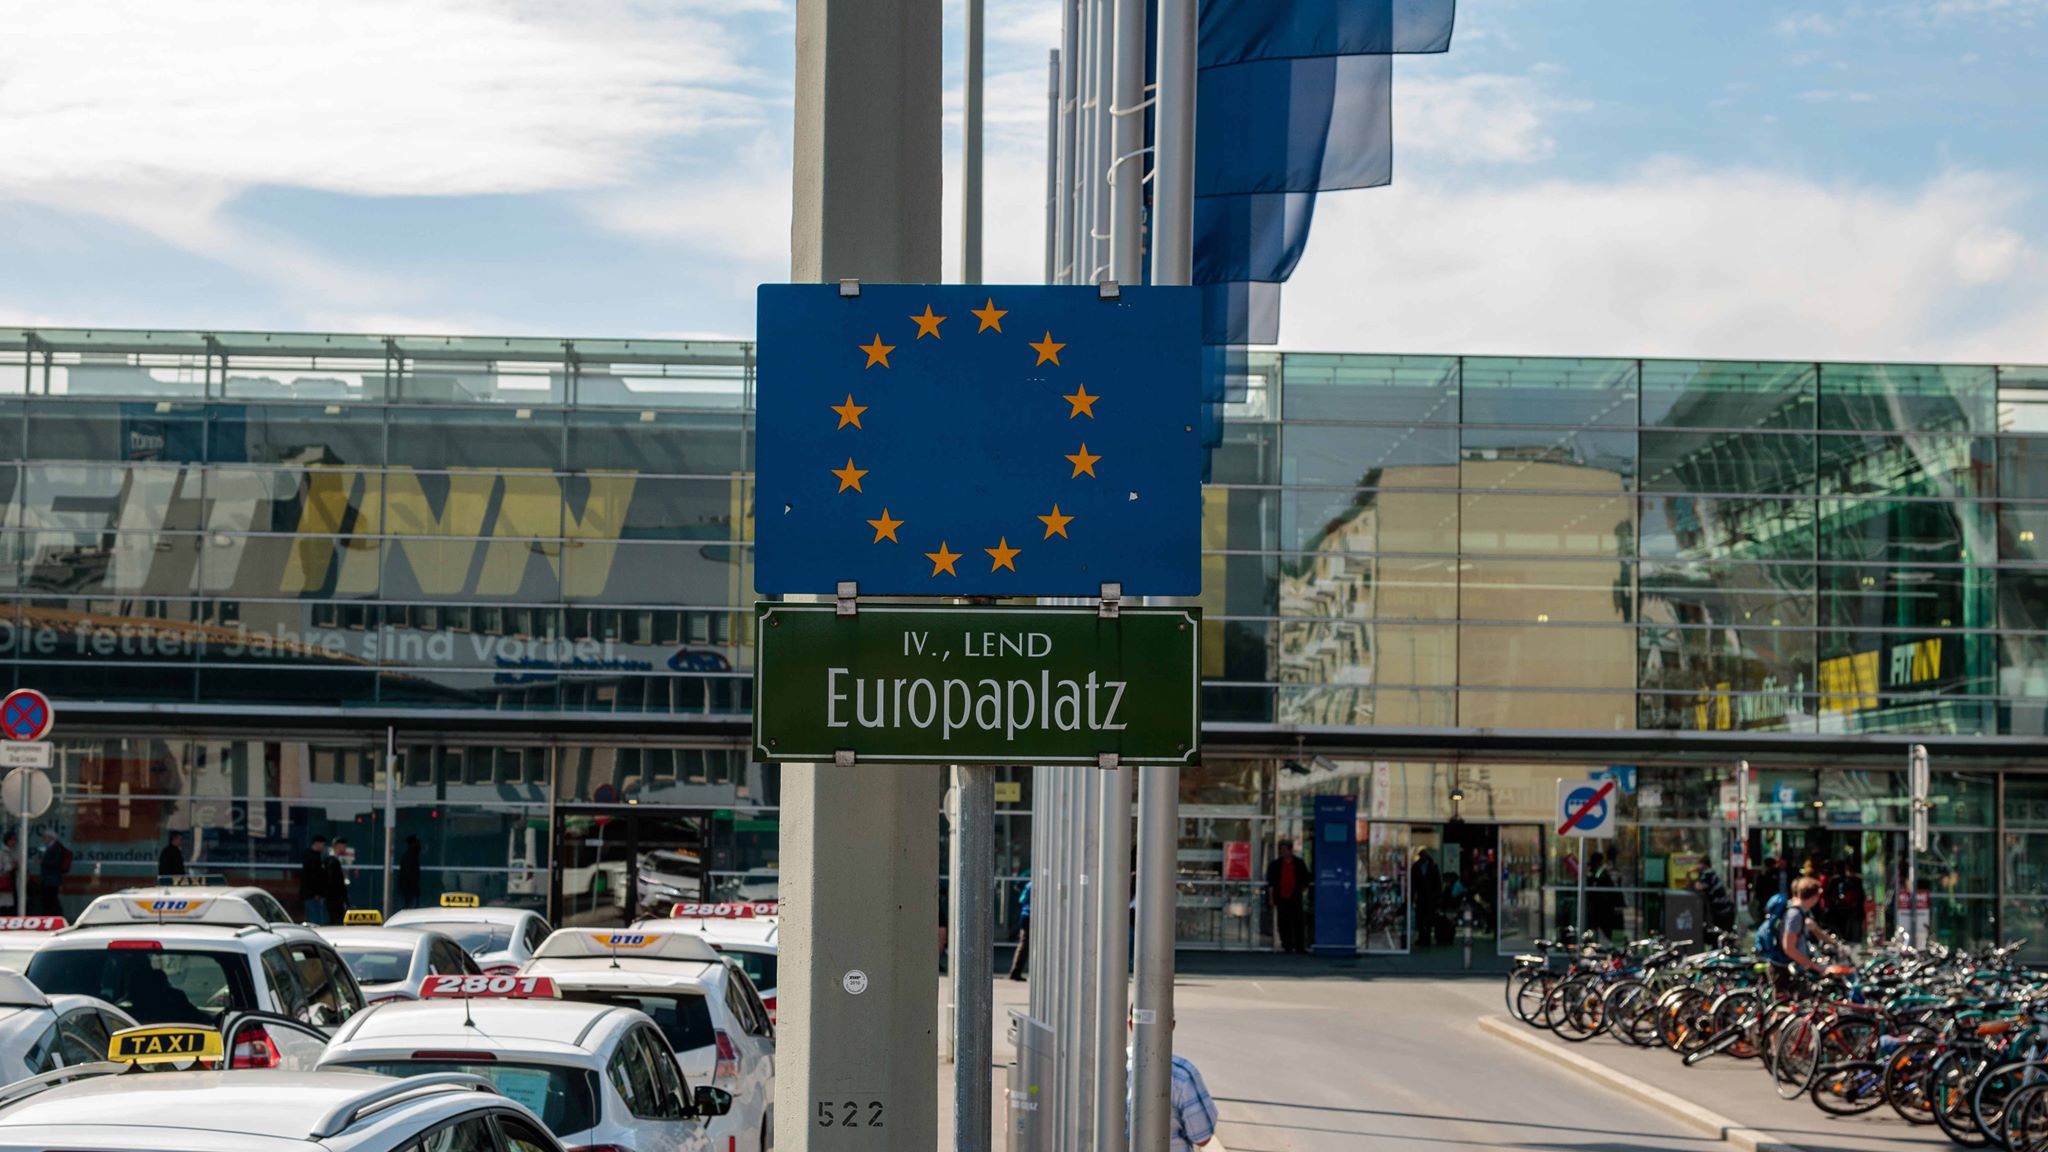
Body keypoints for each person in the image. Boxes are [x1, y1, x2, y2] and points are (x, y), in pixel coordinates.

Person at [1127, 1014, 1218, 1152]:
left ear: (1131, 1025)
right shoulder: (1182, 1074)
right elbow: (1202, 1137)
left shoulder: (1105, 1069)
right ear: (1171, 1026)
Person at [1765, 875, 1840, 999]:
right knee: (1784, 1013)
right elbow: (1789, 948)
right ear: (1813, 896)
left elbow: (1813, 928)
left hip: (1790, 969)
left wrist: (1834, 943)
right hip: (1785, 971)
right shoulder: (1794, 915)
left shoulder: (1799, 911)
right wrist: (1814, 966)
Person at [1265, 839, 1311, 954]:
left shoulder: (1299, 863)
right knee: (1283, 923)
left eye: (1285, 849)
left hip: (1295, 897)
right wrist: (1271, 898)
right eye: (1282, 850)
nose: (1283, 852)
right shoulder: (1276, 865)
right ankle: (1287, 945)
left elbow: (1306, 879)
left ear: (1290, 850)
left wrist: (1301, 890)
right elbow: (1271, 883)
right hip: (1281, 897)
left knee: (1298, 922)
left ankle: (1300, 947)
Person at [1826, 857, 1867, 944]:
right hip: (1841, 912)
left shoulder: (1855, 880)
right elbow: (1829, 895)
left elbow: (1861, 896)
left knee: (1852, 936)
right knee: (1845, 935)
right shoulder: (1836, 880)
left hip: (1852, 911)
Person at [1410, 848, 1442, 949]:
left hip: (1430, 896)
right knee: (1420, 917)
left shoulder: (1432, 866)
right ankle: (1422, 936)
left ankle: (1426, 937)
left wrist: (1437, 896)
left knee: (1428, 917)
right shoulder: (1416, 867)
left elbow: (1437, 883)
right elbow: (1413, 883)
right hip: (1421, 895)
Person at [34, 829, 70, 917]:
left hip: (52, 878)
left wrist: (43, 861)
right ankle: (50, 915)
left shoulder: (57, 848)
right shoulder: (49, 847)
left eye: (44, 837)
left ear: (49, 838)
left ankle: (56, 916)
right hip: (47, 878)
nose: (43, 839)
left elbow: (55, 862)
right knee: (48, 899)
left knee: (51, 899)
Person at [1694, 863, 1736, 937]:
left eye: (1698, 864)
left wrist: (1690, 872)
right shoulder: (1711, 874)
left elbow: (1698, 886)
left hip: (1722, 911)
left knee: (1722, 936)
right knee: (1725, 936)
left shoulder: (1707, 873)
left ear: (1704, 864)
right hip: (1725, 910)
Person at [300, 835, 329, 925]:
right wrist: (316, 893)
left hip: (311, 893)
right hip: (312, 893)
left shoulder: (314, 856)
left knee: (315, 915)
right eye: (322, 844)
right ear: (317, 844)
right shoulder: (312, 857)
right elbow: (313, 876)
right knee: (315, 917)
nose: (323, 847)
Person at [1007, 875, 1031, 981]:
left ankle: (1015, 971)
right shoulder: (1042, 885)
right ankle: (1015, 972)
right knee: (1025, 945)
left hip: (1025, 916)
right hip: (1031, 916)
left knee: (1023, 944)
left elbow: (1021, 900)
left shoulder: (1029, 885)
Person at [325, 836, 353, 918]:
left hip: (336, 896)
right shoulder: (331, 860)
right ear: (337, 846)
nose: (345, 848)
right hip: (334, 897)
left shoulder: (336, 860)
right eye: (343, 846)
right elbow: (333, 880)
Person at [397, 835, 423, 909]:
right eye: (417, 843)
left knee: (410, 904)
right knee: (409, 905)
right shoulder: (410, 856)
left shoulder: (411, 855)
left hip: (409, 886)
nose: (419, 845)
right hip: (409, 887)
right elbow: (408, 873)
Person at [0, 832, 16, 916]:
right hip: (4, 881)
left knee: (10, 906)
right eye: (12, 840)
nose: (14, 842)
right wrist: (11, 866)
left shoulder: (14, 851)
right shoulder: (2, 852)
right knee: (4, 905)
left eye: (15, 840)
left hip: (12, 881)